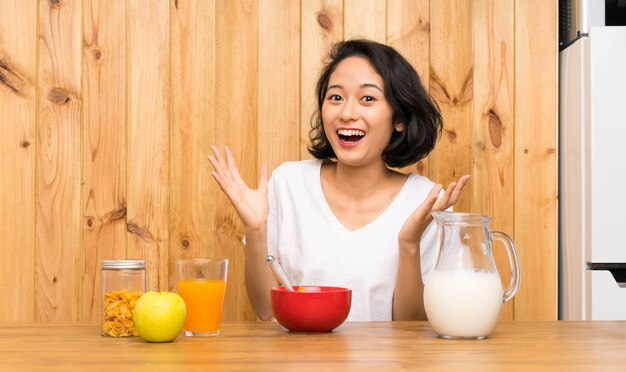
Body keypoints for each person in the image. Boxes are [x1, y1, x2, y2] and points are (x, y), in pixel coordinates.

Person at [208, 39, 470, 321]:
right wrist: (256, 228)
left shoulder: (428, 202)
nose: (347, 113)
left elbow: (412, 328)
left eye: (367, 99)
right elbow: (265, 310)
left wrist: (409, 244)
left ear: (399, 118)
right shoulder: (289, 184)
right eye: (335, 97)